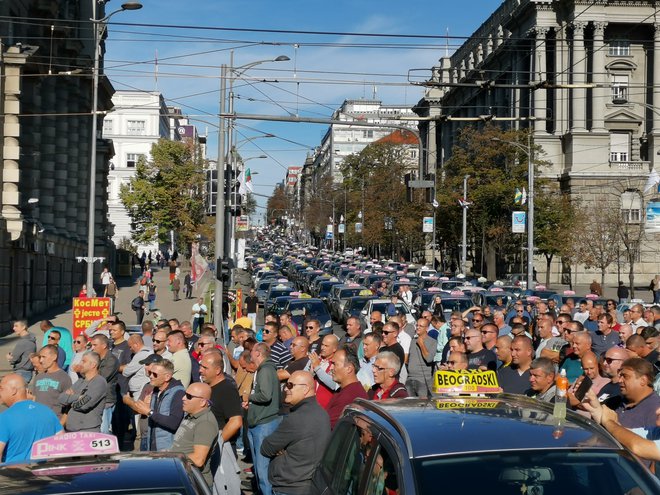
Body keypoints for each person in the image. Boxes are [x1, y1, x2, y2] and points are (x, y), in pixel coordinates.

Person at [261, 371, 332, 495]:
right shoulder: (322, 413)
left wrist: (282, 450)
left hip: (290, 487)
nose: (285, 389)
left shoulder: (296, 418)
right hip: (307, 485)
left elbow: (266, 448)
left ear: (305, 389)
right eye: (285, 385)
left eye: (290, 385)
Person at [0, 374, 62, 463]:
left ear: (14, 391)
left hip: (16, 474)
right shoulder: (48, 411)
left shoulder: (4, 418)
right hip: (44, 473)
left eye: (1, 388)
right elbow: (62, 444)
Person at [246, 343, 282, 495]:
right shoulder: (263, 369)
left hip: (264, 424)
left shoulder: (266, 370)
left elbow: (266, 395)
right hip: (259, 421)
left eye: (252, 350)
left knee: (262, 468)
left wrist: (249, 396)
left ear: (258, 353)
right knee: (260, 467)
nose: (250, 353)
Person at [169, 382, 218, 487]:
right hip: (183, 476)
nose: (183, 398)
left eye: (189, 396)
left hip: (195, 482)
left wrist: (169, 457)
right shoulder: (191, 415)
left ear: (202, 402)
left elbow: (198, 459)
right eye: (185, 394)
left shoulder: (205, 423)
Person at [133, 358, 186, 451]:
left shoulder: (178, 393)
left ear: (167, 377)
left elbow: (174, 423)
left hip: (168, 450)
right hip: (152, 447)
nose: (151, 376)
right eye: (150, 373)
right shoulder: (156, 390)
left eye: (155, 374)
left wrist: (149, 412)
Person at [59, 351, 108, 432]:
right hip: (70, 431)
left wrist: (70, 401)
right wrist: (78, 397)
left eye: (84, 361)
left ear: (93, 365)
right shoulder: (80, 381)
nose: (80, 364)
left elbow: (83, 406)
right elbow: (61, 398)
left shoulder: (99, 382)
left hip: (87, 431)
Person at [326, 348, 368, 429]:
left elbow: (328, 427)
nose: (331, 368)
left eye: (334, 364)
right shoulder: (345, 390)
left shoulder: (351, 396)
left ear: (349, 369)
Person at [32, 344, 72, 419]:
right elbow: (34, 399)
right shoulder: (38, 377)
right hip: (38, 421)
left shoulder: (64, 378)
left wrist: (61, 424)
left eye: (44, 357)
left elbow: (69, 407)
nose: (40, 360)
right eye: (40, 357)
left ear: (54, 357)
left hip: (55, 422)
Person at [89, 334, 119, 434]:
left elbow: (101, 378)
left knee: (103, 430)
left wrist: (86, 370)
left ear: (104, 345)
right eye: (91, 345)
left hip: (106, 399)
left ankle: (107, 450)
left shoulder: (112, 360)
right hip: (95, 398)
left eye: (95, 345)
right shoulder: (95, 358)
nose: (92, 348)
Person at [406, 318, 436, 398]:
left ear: (426, 328)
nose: (417, 327)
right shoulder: (412, 341)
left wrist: (421, 344)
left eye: (421, 326)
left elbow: (429, 359)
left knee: (423, 405)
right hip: (410, 378)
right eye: (417, 325)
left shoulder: (433, 342)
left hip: (422, 380)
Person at [6, 320, 36, 384]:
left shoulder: (23, 342)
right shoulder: (32, 339)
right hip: (28, 372)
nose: (14, 328)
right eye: (14, 326)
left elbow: (13, 359)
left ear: (23, 327)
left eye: (16, 326)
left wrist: (9, 358)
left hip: (21, 373)